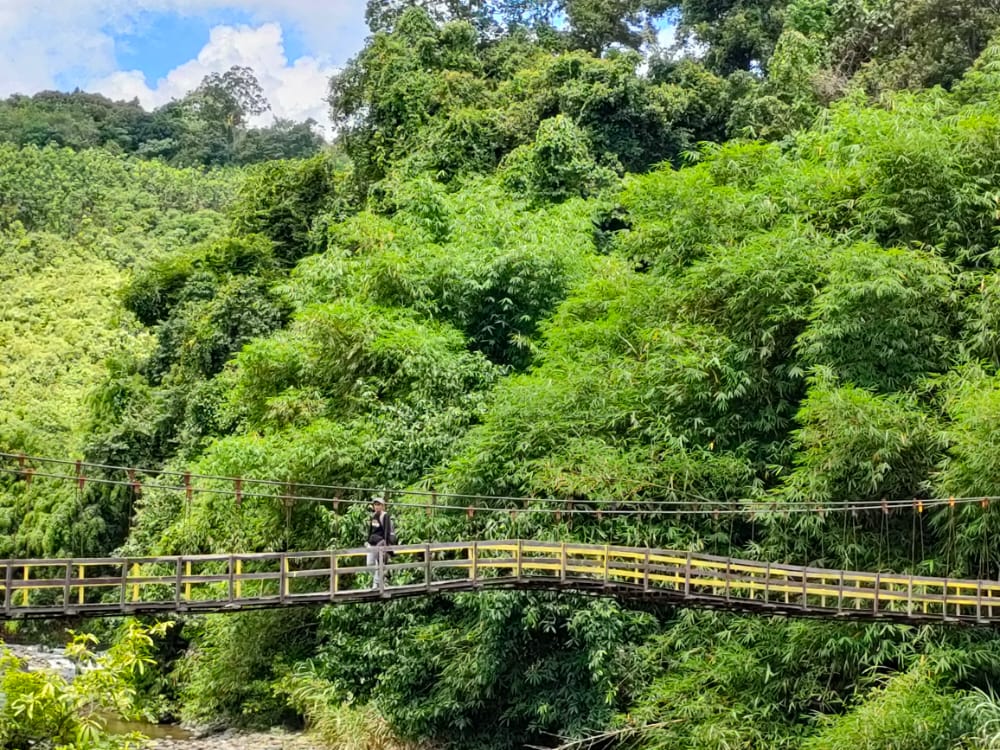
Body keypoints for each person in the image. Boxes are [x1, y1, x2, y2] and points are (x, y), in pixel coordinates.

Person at [366, 496, 395, 589]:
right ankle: (381, 580)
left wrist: (386, 544)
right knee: (369, 564)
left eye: (379, 505)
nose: (377, 506)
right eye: (375, 504)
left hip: (380, 544)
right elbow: (370, 530)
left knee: (380, 563)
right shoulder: (373, 516)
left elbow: (387, 530)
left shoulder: (385, 516)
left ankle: (376, 584)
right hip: (372, 543)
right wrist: (367, 541)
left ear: (383, 506)